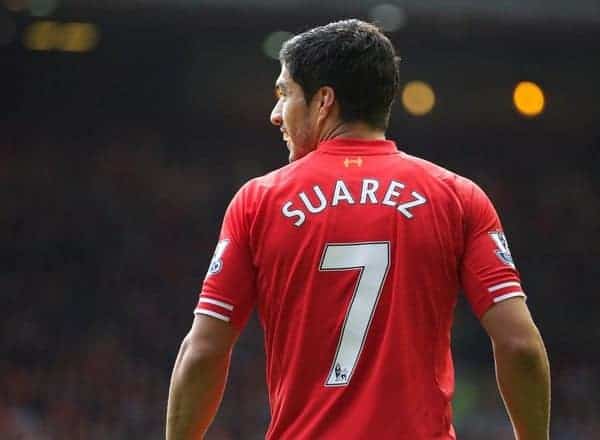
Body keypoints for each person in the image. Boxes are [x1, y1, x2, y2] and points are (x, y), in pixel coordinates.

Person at [166, 19, 550, 440]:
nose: (276, 114)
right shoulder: (457, 197)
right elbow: (521, 347)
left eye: (284, 94)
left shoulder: (258, 202)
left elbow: (203, 351)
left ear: (324, 101)